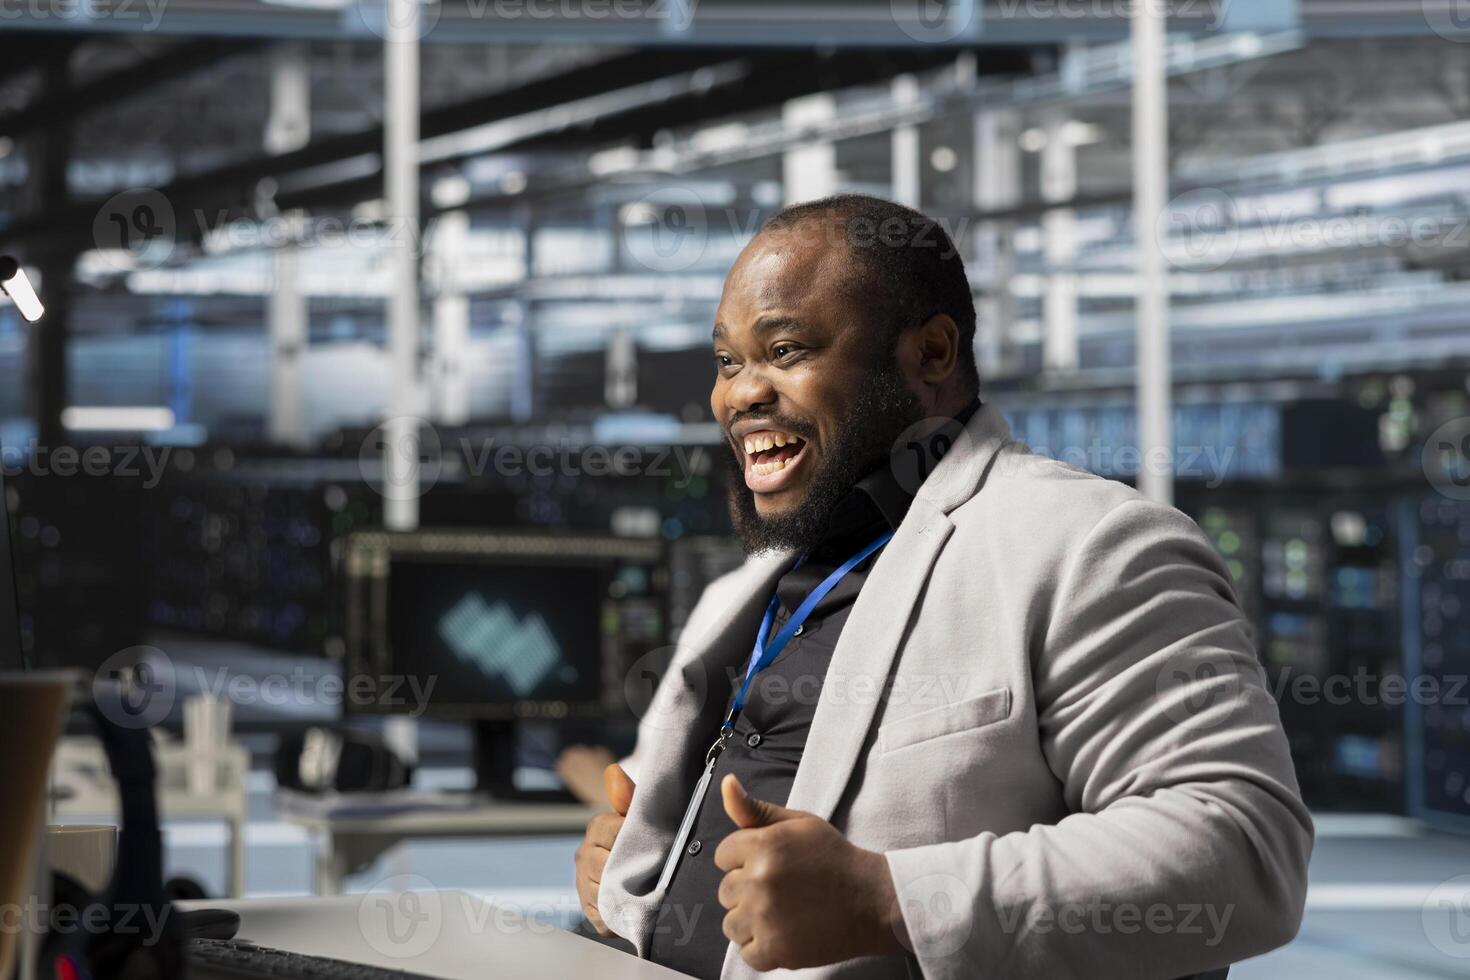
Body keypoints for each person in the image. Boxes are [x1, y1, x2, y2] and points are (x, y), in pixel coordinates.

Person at [574, 194, 1313, 980]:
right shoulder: (764, 578)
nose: (740, 394)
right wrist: (640, 872)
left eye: (786, 350)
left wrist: (889, 899)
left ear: (930, 353)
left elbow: (1242, 849)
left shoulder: (1091, 543)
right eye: (728, 361)